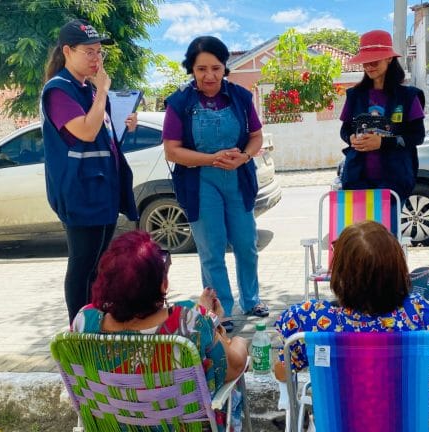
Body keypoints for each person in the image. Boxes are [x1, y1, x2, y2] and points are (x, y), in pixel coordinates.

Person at [72, 230, 249, 431]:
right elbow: (233, 368)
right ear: (163, 284)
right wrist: (239, 341)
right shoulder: (188, 323)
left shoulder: (84, 321)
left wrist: (207, 318)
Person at [163, 35, 268, 333]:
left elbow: (256, 136)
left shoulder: (240, 97)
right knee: (212, 250)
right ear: (192, 70)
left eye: (215, 68)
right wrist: (210, 159)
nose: (209, 76)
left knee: (247, 244)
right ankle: (219, 310)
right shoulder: (179, 102)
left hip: (237, 178)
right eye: (201, 69)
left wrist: (244, 156)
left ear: (225, 68)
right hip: (199, 182)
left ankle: (251, 300)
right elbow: (172, 150)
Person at [273, 220, 429, 386]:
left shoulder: (308, 317)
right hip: (408, 423)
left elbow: (283, 373)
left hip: (338, 423)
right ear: (397, 267)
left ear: (341, 271)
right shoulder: (420, 314)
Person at [41, 18, 139, 324]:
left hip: (103, 188)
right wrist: (102, 92)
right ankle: (79, 329)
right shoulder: (59, 90)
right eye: (90, 52)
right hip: (81, 191)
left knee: (99, 265)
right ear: (68, 51)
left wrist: (124, 125)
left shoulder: (87, 89)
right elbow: (84, 131)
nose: (97, 59)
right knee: (82, 265)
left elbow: (101, 136)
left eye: (100, 53)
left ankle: (95, 323)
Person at [339, 30, 426, 233]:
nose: (369, 66)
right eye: (365, 62)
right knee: (362, 242)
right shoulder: (354, 95)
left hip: (394, 182)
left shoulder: (409, 96)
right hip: (358, 180)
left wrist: (383, 143)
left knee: (388, 240)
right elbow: (344, 130)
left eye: (374, 61)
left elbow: (417, 136)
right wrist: (350, 138)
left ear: (389, 58)